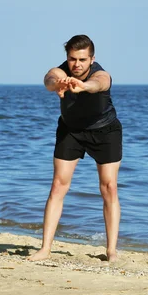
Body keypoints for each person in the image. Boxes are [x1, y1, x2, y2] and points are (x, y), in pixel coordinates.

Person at [28, 34, 122, 263]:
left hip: (105, 131)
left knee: (108, 188)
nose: (76, 64)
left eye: (82, 59)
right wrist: (57, 84)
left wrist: (83, 86)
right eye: (72, 59)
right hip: (71, 131)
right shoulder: (62, 71)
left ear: (92, 59)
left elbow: (100, 82)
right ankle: (45, 249)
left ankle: (111, 251)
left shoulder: (100, 73)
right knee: (58, 185)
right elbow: (50, 78)